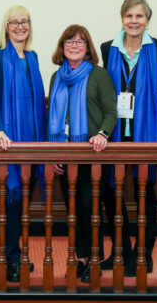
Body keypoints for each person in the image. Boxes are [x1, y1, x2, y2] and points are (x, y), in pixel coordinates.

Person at [100, 0, 157, 276]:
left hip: (146, 134)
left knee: (146, 196)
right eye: (129, 15)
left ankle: (143, 254)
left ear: (147, 20)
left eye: (139, 16)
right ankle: (121, 252)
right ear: (122, 18)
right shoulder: (108, 49)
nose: (134, 21)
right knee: (110, 193)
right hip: (114, 133)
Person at [49, 24, 117, 283]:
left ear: (88, 48)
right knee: (73, 211)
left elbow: (111, 112)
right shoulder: (57, 77)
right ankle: (79, 259)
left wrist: (102, 134)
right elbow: (53, 118)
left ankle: (93, 260)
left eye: (80, 42)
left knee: (90, 210)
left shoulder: (98, 75)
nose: (74, 46)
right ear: (62, 47)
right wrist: (53, 152)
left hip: (92, 156)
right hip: (65, 157)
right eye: (69, 41)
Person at [0, 5, 46, 282]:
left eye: (25, 21)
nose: (20, 26)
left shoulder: (32, 58)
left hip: (33, 142)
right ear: (6, 26)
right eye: (14, 22)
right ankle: (9, 258)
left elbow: (37, 102)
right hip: (9, 142)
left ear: (30, 26)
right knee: (12, 204)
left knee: (24, 204)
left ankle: (18, 252)